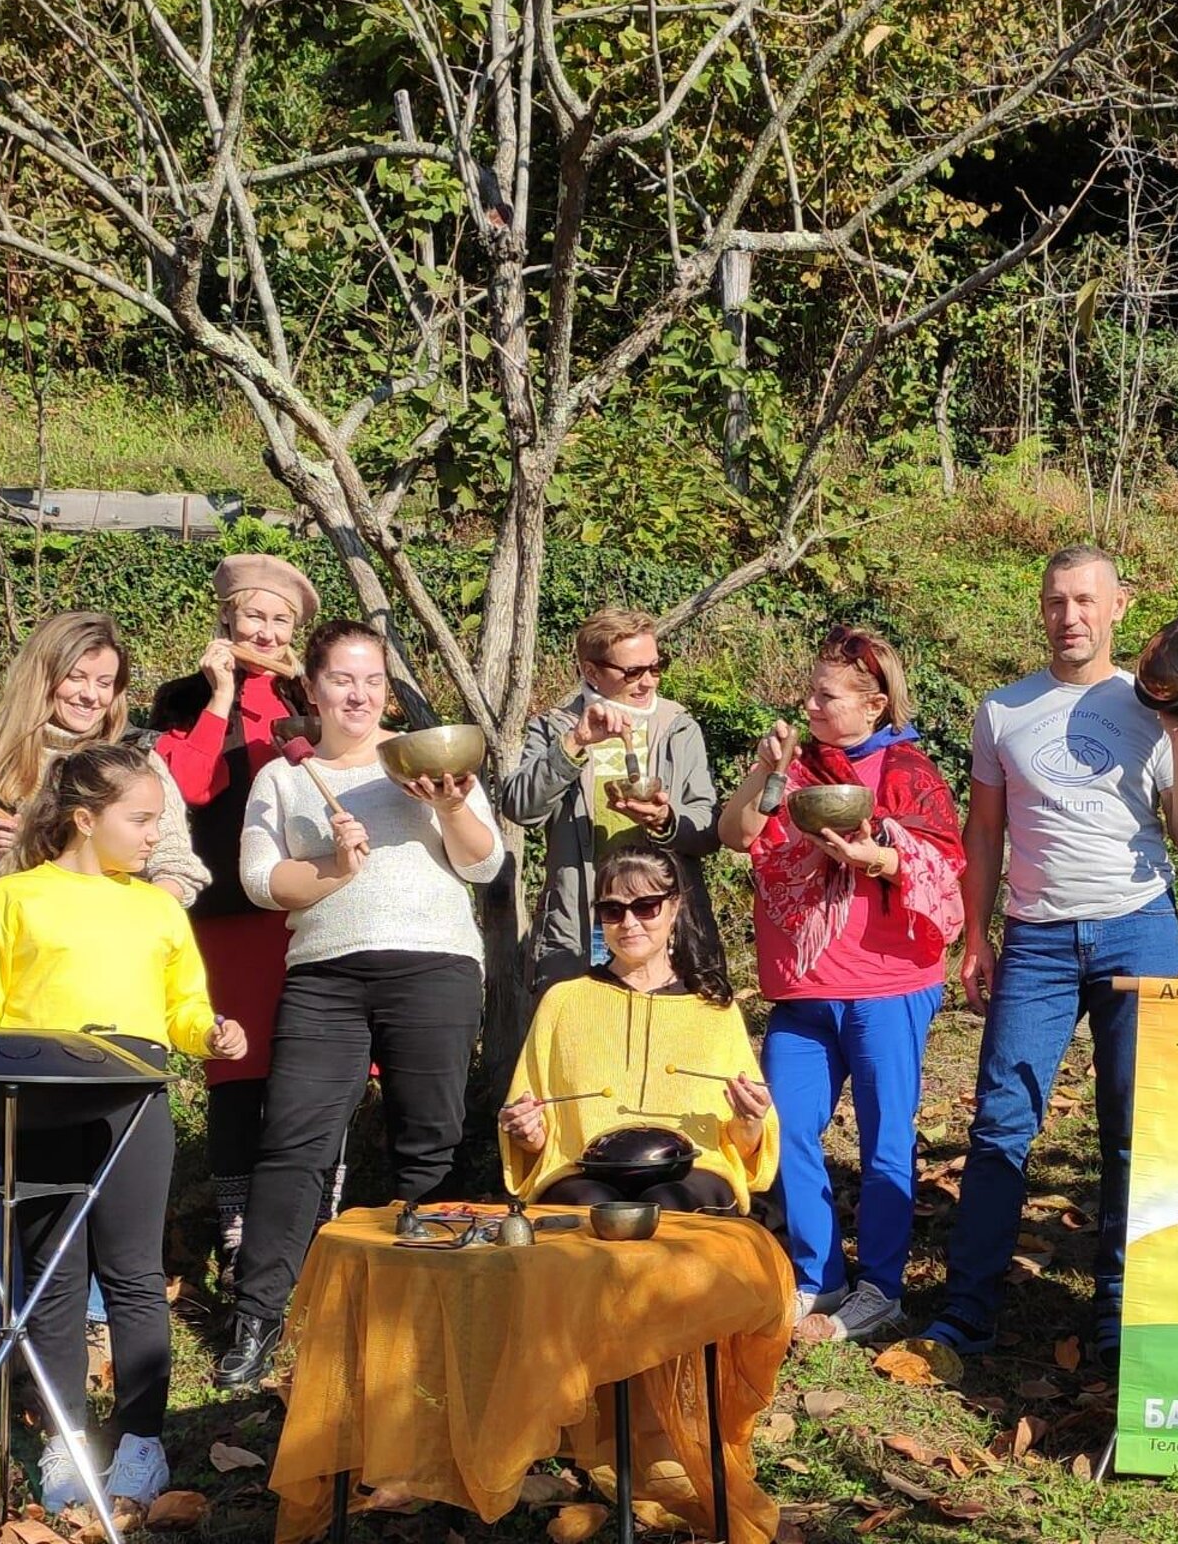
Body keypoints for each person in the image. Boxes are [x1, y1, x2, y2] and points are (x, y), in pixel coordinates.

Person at [0, 743, 248, 1513]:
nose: (152, 836)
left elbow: (182, 1006)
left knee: (132, 1273)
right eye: (140, 820)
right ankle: (64, 1438)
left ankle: (140, 1443)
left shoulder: (157, 906)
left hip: (132, 1100)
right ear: (84, 818)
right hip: (39, 1100)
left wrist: (212, 1032)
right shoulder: (13, 899)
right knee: (54, 1276)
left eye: (159, 821)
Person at [921, 547, 1178, 1366]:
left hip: (1138, 929)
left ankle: (1122, 1317)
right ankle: (968, 1312)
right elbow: (984, 831)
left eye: (1086, 601)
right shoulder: (1003, 710)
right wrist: (974, 934)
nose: (1070, 616)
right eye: (1056, 601)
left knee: (1140, 1130)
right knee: (1000, 1123)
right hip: (1038, 939)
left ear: (1120, 606)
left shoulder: (1153, 702)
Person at [0, 610, 207, 1426]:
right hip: (22, 1006)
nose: (90, 693)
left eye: (105, 681)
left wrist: (130, 916)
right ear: (42, 677)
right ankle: (9, 1358)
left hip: (120, 1029)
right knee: (14, 1198)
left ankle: (98, 1371)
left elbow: (177, 864)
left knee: (121, 1237)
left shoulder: (139, 765)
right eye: (75, 677)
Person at [215, 619, 505, 1391]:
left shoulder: (424, 764)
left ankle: (427, 1310)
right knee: (294, 1143)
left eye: (372, 679)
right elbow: (259, 881)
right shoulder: (284, 777)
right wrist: (334, 866)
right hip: (325, 975)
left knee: (430, 1138)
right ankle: (258, 1318)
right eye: (342, 678)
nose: (359, 692)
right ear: (310, 688)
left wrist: (449, 808)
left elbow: (487, 865)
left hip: (435, 966)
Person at [718, 627, 966, 1344]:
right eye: (812, 692)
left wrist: (879, 858)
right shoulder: (796, 771)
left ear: (874, 703)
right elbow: (738, 833)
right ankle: (818, 1278)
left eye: (826, 696)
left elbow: (944, 864)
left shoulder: (909, 771)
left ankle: (881, 1288)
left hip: (889, 983)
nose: (811, 704)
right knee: (788, 1126)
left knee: (887, 1138)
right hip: (802, 986)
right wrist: (763, 770)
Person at [147, 554, 318, 1292]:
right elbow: (185, 788)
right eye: (255, 616)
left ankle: (311, 1231)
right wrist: (221, 697)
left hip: (307, 905)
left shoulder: (308, 694)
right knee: (238, 1069)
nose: (267, 630)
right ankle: (241, 1243)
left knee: (312, 1067)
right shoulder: (181, 697)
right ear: (226, 619)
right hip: (227, 913)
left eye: (281, 621)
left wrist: (302, 695)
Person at [498, 847, 779, 1212]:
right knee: (592, 1207)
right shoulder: (563, 1001)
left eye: (646, 906)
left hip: (694, 1171)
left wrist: (750, 1120)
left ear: (674, 907)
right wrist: (528, 1134)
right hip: (581, 1171)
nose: (628, 923)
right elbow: (533, 1140)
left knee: (667, 1204)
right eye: (612, 910)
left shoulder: (713, 1010)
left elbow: (744, 1147)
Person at [503, 607, 724, 993]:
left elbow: (707, 829)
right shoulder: (556, 726)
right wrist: (573, 745)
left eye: (656, 667)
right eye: (633, 672)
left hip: (661, 920)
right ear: (591, 672)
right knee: (586, 1044)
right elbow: (520, 807)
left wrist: (664, 821)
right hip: (582, 922)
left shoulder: (677, 725)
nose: (648, 683)